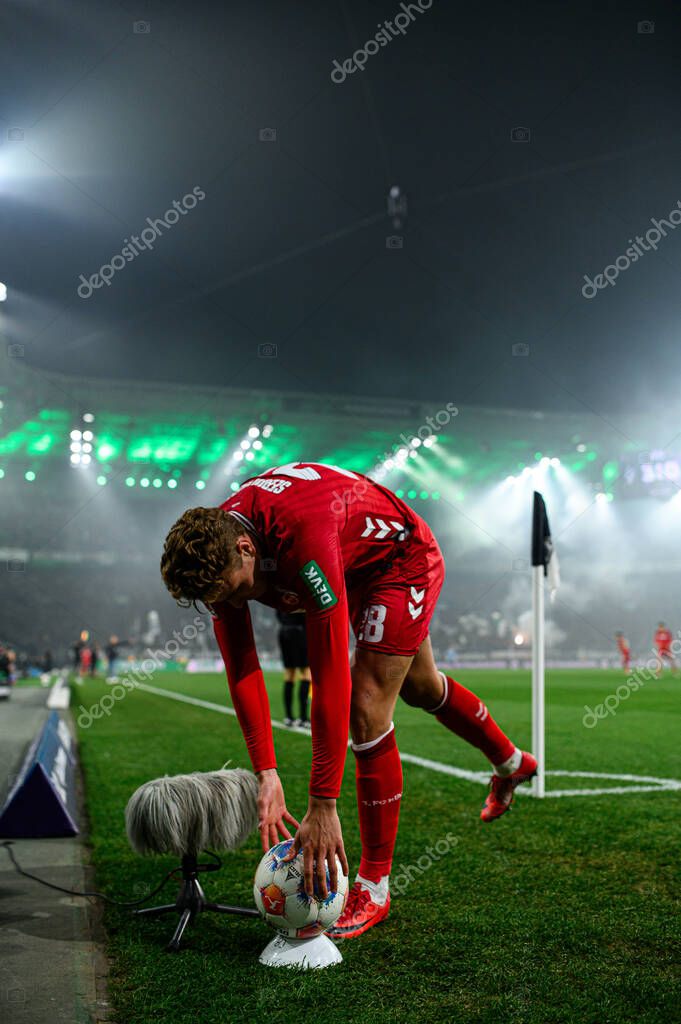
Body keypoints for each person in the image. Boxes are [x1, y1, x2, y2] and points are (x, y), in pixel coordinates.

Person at [160, 462, 536, 939]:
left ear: (246, 547)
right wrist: (266, 773)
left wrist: (323, 802)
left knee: (366, 705)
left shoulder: (302, 536)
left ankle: (374, 887)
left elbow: (330, 672)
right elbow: (243, 667)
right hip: (352, 562)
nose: (238, 604)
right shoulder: (218, 555)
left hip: (399, 561)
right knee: (423, 687)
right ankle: (512, 762)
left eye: (240, 591)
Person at [276, 609, 311, 727]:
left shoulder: (280, 591)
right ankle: (303, 718)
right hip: (301, 632)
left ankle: (289, 717)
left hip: (284, 632)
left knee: (289, 674)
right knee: (306, 673)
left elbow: (278, 613)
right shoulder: (302, 591)